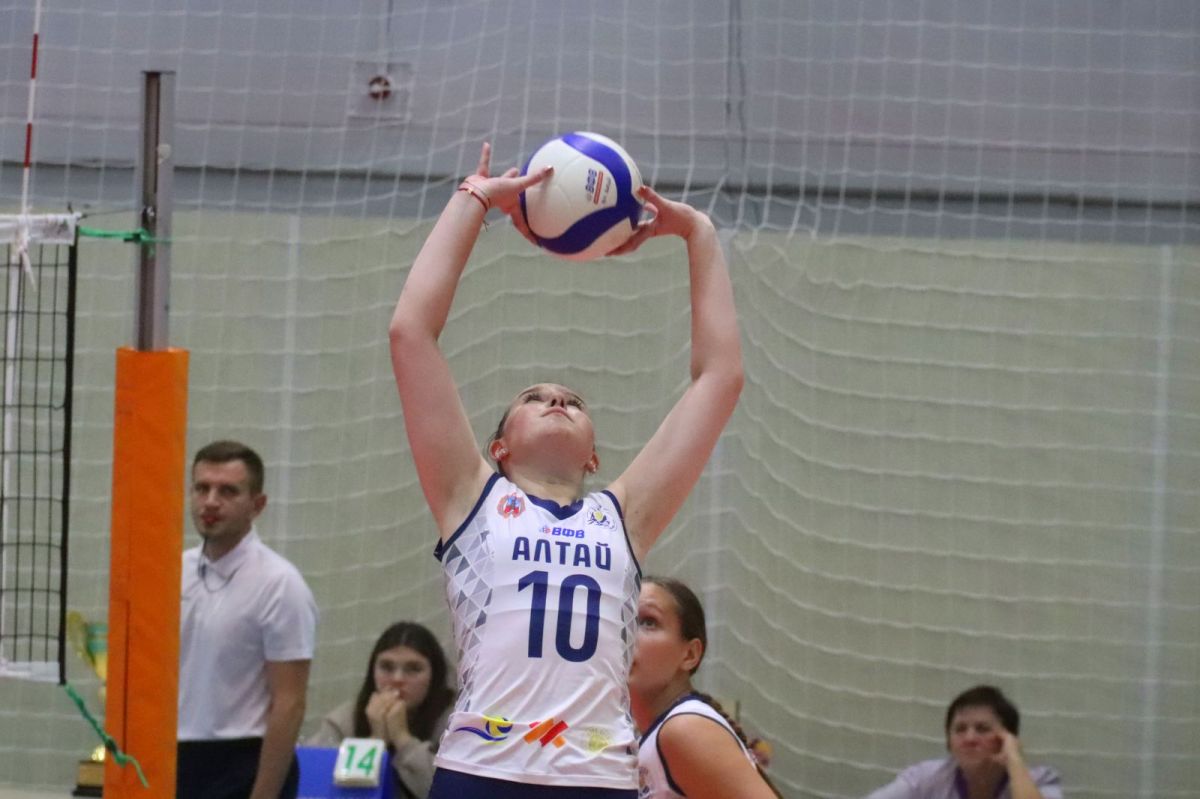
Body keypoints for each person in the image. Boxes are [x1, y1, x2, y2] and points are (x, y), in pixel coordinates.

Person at [388, 143, 743, 798]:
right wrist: (474, 200)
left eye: (573, 401)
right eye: (535, 397)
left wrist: (697, 233)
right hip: (481, 772)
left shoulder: (624, 515)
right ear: (499, 447)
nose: (557, 401)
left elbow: (720, 378)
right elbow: (411, 332)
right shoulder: (469, 496)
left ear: (593, 455)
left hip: (596, 777)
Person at [177, 441, 319, 799]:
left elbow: (290, 703)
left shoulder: (280, 585)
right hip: (176, 758)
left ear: (257, 505)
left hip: (244, 763)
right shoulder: (174, 572)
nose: (210, 502)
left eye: (227, 491)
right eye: (202, 488)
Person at [628, 576, 782, 799]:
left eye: (649, 622)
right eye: (621, 619)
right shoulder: (651, 736)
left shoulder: (684, 729)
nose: (625, 633)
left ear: (690, 654)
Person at [308, 621, 455, 799]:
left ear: (434, 675)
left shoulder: (455, 722)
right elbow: (314, 781)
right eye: (387, 667)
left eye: (414, 669)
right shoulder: (344, 720)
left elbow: (452, 792)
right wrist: (375, 741)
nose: (397, 679)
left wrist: (402, 739)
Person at [865, 684, 1063, 799]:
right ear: (949, 742)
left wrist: (1014, 759)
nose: (969, 738)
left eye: (982, 729)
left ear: (1007, 739)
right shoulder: (924, 779)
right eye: (960, 729)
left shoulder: (1040, 781)